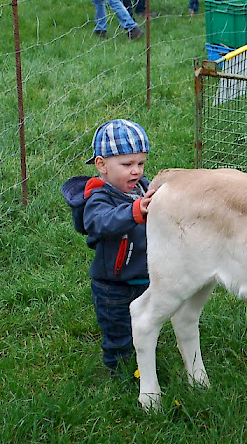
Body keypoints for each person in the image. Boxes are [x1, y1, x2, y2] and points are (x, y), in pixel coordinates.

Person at [61, 119, 155, 375]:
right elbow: (101, 222)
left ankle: (143, 357)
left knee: (145, 323)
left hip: (144, 277)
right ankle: (120, 372)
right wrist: (134, 212)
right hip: (113, 286)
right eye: (127, 164)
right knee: (118, 333)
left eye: (140, 163)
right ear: (101, 165)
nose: (136, 171)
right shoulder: (99, 198)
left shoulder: (142, 188)